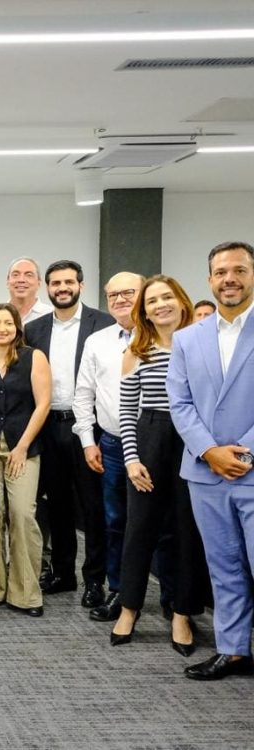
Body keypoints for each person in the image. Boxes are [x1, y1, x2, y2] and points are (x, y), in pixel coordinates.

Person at [111, 275, 209, 658]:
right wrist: (132, 459)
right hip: (150, 436)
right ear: (145, 311)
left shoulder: (201, 346)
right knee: (139, 529)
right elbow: (126, 410)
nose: (160, 305)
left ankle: (182, 614)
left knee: (187, 531)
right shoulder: (137, 350)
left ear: (182, 302)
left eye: (167, 297)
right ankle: (129, 608)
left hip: (192, 441)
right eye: (152, 301)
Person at [168, 241, 254, 680]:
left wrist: (244, 451)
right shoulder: (187, 338)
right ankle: (233, 650)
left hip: (252, 470)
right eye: (221, 272)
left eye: (239, 270)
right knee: (223, 567)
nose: (229, 279)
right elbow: (179, 402)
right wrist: (209, 451)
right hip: (205, 473)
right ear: (209, 280)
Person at [72, 272, 167, 623]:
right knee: (117, 522)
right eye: (113, 295)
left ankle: (172, 598)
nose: (120, 300)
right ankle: (120, 592)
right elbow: (84, 394)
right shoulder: (97, 341)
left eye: (129, 292)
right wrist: (88, 442)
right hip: (112, 444)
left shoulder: (169, 337)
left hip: (162, 444)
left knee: (166, 524)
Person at [25, 260, 113, 607]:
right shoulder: (34, 329)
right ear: (47, 288)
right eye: (55, 283)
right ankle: (63, 573)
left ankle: (95, 580)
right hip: (48, 426)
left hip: (89, 428)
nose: (62, 288)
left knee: (92, 507)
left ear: (81, 285)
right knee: (57, 504)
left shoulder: (102, 324)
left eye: (68, 282)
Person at [0, 303, 51, 616]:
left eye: (8, 323)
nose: (1, 328)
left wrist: (22, 445)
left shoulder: (33, 357)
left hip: (23, 448)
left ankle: (26, 593)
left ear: (17, 328)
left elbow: (43, 404)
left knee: (23, 514)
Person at [7, 257, 53, 324]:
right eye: (15, 275)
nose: (21, 280)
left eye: (29, 275)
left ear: (39, 283)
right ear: (7, 281)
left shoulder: (52, 316)